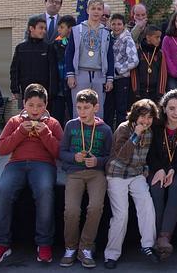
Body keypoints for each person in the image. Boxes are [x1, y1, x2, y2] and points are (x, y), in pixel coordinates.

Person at [0, 84, 63, 264]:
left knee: (45, 191)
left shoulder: (53, 123)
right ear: (24, 104)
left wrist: (46, 134)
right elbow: (2, 148)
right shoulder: (14, 121)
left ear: (46, 105)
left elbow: (61, 153)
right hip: (16, 164)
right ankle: (1, 244)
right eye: (31, 105)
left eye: (39, 105)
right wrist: (21, 132)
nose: (35, 110)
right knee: (3, 192)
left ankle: (44, 244)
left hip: (43, 164)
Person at [103, 99, 161, 269]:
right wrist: (135, 134)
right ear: (135, 116)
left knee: (147, 204)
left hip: (136, 174)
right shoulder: (123, 128)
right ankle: (111, 254)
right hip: (117, 174)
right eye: (143, 116)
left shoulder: (150, 132)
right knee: (121, 215)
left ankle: (148, 245)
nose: (146, 121)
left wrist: (146, 169)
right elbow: (121, 156)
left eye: (150, 117)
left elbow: (146, 156)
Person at [59, 89, 112, 268]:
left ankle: (86, 247)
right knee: (71, 211)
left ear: (96, 108)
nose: (82, 112)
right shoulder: (71, 126)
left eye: (86, 108)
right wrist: (74, 157)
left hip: (96, 173)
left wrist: (98, 161)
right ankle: (71, 247)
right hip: (74, 173)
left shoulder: (105, 129)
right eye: (79, 107)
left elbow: (110, 157)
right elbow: (62, 152)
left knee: (95, 207)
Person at [147, 89, 177, 260]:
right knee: (156, 189)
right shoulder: (155, 125)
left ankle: (164, 237)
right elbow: (150, 153)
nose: (176, 113)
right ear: (164, 108)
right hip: (158, 167)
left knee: (175, 188)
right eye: (172, 108)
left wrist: (173, 169)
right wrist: (160, 168)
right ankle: (154, 236)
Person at [65, 0, 115, 119]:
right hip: (80, 73)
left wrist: (109, 79)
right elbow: (69, 53)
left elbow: (110, 56)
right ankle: (79, 135)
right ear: (87, 10)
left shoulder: (106, 32)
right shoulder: (77, 30)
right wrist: (70, 75)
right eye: (93, 8)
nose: (96, 11)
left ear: (103, 11)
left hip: (99, 74)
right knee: (79, 107)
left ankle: (96, 135)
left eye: (99, 9)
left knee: (98, 108)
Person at [10, 15, 58, 106]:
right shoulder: (21, 48)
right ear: (31, 28)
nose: (44, 31)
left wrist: (52, 92)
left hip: (44, 93)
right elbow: (14, 70)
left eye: (45, 28)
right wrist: (15, 89)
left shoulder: (48, 48)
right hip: (26, 91)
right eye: (41, 28)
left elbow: (53, 72)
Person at [104, 13, 139, 129]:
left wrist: (119, 69)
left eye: (119, 24)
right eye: (113, 24)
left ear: (124, 26)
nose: (116, 27)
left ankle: (120, 135)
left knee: (121, 109)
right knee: (108, 109)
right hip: (109, 79)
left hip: (122, 79)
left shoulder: (127, 39)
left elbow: (134, 60)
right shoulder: (108, 38)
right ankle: (108, 135)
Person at [51, 15, 77, 128]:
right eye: (59, 27)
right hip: (59, 87)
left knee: (74, 114)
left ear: (70, 29)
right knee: (57, 116)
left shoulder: (77, 43)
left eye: (62, 27)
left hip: (73, 85)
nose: (59, 30)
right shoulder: (55, 45)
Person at [133, 25, 167, 102]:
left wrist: (160, 92)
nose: (159, 40)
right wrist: (136, 90)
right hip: (140, 91)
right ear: (148, 37)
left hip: (155, 92)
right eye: (157, 37)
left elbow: (163, 73)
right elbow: (134, 72)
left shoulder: (160, 53)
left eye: (160, 37)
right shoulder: (138, 52)